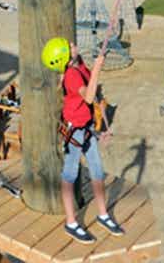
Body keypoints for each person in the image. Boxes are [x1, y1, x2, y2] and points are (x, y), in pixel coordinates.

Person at [42, 36, 125, 244]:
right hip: (75, 132)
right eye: (69, 46)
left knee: (97, 171)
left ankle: (103, 214)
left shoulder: (79, 68)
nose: (73, 45)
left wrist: (101, 129)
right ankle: (71, 223)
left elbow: (93, 94)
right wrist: (98, 67)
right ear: (65, 56)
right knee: (69, 175)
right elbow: (87, 97)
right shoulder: (71, 75)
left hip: (86, 128)